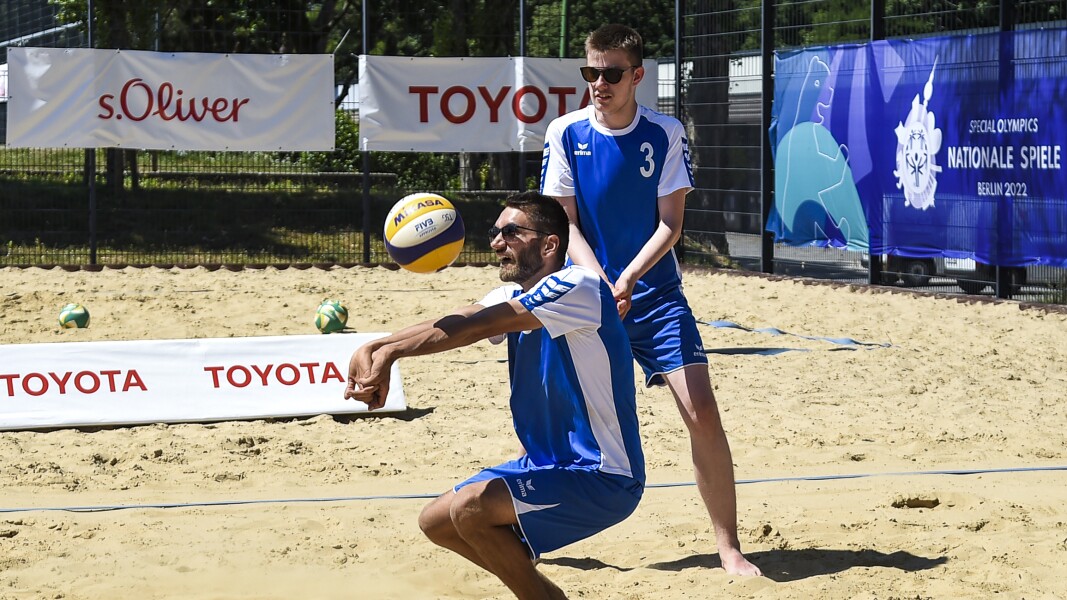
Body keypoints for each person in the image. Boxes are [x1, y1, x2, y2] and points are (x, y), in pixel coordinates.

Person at [540, 24, 762, 576]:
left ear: (637, 76)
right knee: (562, 423)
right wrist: (599, 285)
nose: (598, 83)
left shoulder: (664, 132)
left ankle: (729, 549)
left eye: (611, 73)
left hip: (654, 296)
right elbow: (563, 225)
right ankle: (531, 533)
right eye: (590, 72)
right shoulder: (564, 132)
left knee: (702, 413)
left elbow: (671, 225)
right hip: (587, 297)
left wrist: (629, 281)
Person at [345, 191, 645, 600]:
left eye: (510, 232)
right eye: (494, 231)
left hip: (603, 475)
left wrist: (393, 352)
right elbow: (459, 319)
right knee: (437, 522)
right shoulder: (512, 296)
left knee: (471, 508)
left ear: (549, 244)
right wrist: (377, 346)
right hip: (544, 466)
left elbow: (476, 327)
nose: (496, 242)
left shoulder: (579, 285)